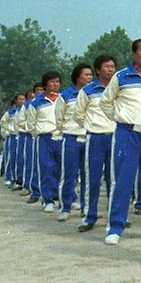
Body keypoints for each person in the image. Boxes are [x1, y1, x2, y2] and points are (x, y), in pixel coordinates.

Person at [100, 38, 141, 245]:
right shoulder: (122, 77)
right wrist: (120, 118)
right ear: (134, 54)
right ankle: (115, 226)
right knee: (122, 180)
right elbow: (105, 102)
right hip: (127, 133)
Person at [74, 55, 117, 231]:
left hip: (115, 136)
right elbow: (78, 114)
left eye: (113, 66)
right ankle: (89, 216)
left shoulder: (119, 88)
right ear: (98, 70)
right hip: (95, 138)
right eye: (106, 66)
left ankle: (114, 217)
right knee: (93, 178)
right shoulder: (88, 91)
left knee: (114, 179)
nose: (111, 69)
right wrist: (91, 126)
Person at [55, 64, 93, 221]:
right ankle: (66, 206)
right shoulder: (65, 95)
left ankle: (86, 207)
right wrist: (65, 131)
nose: (90, 78)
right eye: (86, 75)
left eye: (91, 75)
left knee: (88, 176)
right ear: (78, 77)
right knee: (69, 174)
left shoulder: (95, 92)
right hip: (71, 137)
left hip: (90, 137)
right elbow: (59, 118)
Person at [31, 71, 64, 213]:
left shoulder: (64, 99)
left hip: (62, 137)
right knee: (46, 169)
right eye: (52, 82)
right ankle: (48, 200)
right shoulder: (36, 102)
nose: (55, 84)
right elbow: (31, 123)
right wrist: (39, 134)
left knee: (63, 169)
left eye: (57, 81)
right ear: (45, 84)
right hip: (45, 138)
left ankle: (65, 199)